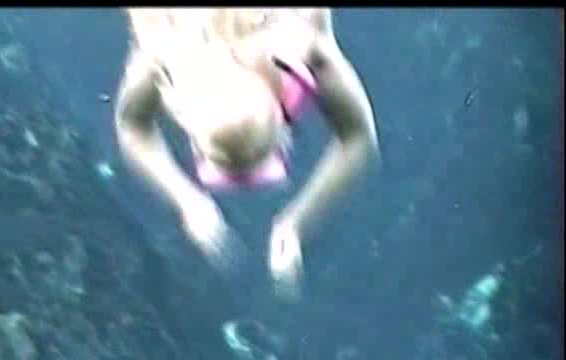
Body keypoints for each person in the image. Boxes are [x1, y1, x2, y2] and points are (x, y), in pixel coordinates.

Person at [115, 8, 378, 298]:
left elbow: (358, 139)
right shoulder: (163, 51)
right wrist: (188, 202)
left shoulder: (164, 49)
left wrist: (295, 223)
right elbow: (357, 137)